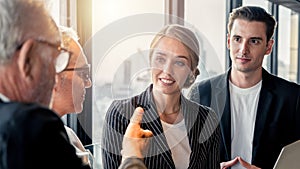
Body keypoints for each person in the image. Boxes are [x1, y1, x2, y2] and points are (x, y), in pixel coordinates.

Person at [188, 6, 300, 169]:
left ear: (268, 47)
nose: (243, 50)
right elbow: (187, 159)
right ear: (228, 41)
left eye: (254, 41)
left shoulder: (292, 98)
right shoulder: (201, 94)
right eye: (237, 39)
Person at [102, 24, 221, 169]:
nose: (167, 70)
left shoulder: (207, 119)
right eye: (160, 59)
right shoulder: (121, 113)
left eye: (179, 62)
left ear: (191, 72)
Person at [0, 0, 90, 168]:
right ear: (27, 60)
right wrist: (132, 156)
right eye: (56, 61)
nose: (55, 76)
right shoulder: (31, 126)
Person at [51, 26, 92, 165]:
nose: (88, 83)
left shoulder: (69, 135)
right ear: (55, 74)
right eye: (83, 73)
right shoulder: (34, 144)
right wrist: (132, 157)